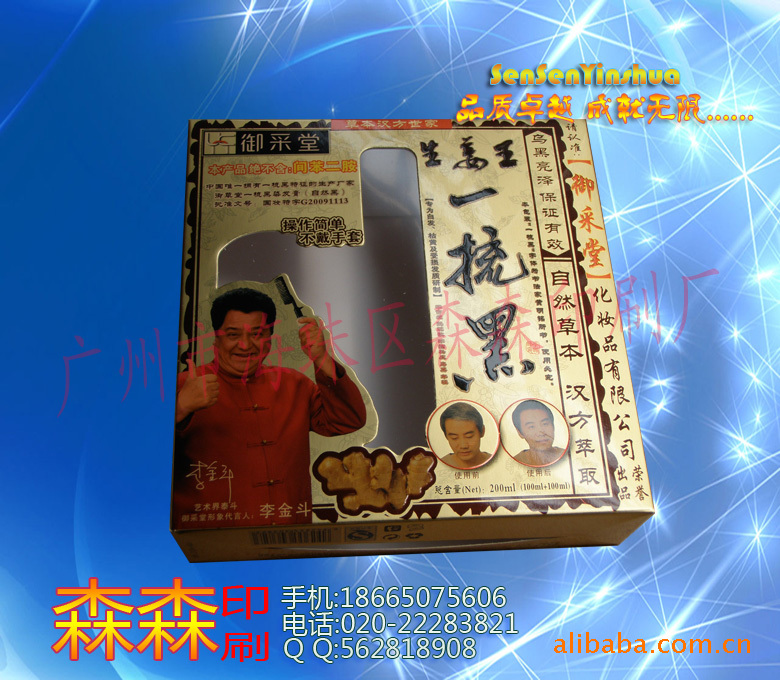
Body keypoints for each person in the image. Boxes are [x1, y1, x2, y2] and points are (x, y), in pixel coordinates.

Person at [173, 287, 367, 528]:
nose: (245, 345)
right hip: (212, 535)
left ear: (270, 340)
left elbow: (348, 420)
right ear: (216, 338)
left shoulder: (293, 384)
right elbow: (140, 462)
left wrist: (321, 359)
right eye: (233, 335)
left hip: (290, 531)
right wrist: (181, 407)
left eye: (257, 334)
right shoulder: (184, 385)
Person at [438, 402, 493, 469]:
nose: (463, 446)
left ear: (482, 431)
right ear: (446, 436)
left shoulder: (497, 462)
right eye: (454, 438)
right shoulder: (438, 466)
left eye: (469, 436)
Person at [511, 400, 566, 466]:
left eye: (545, 424)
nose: (541, 433)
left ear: (553, 426)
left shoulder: (568, 455)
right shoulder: (515, 463)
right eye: (531, 427)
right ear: (520, 433)